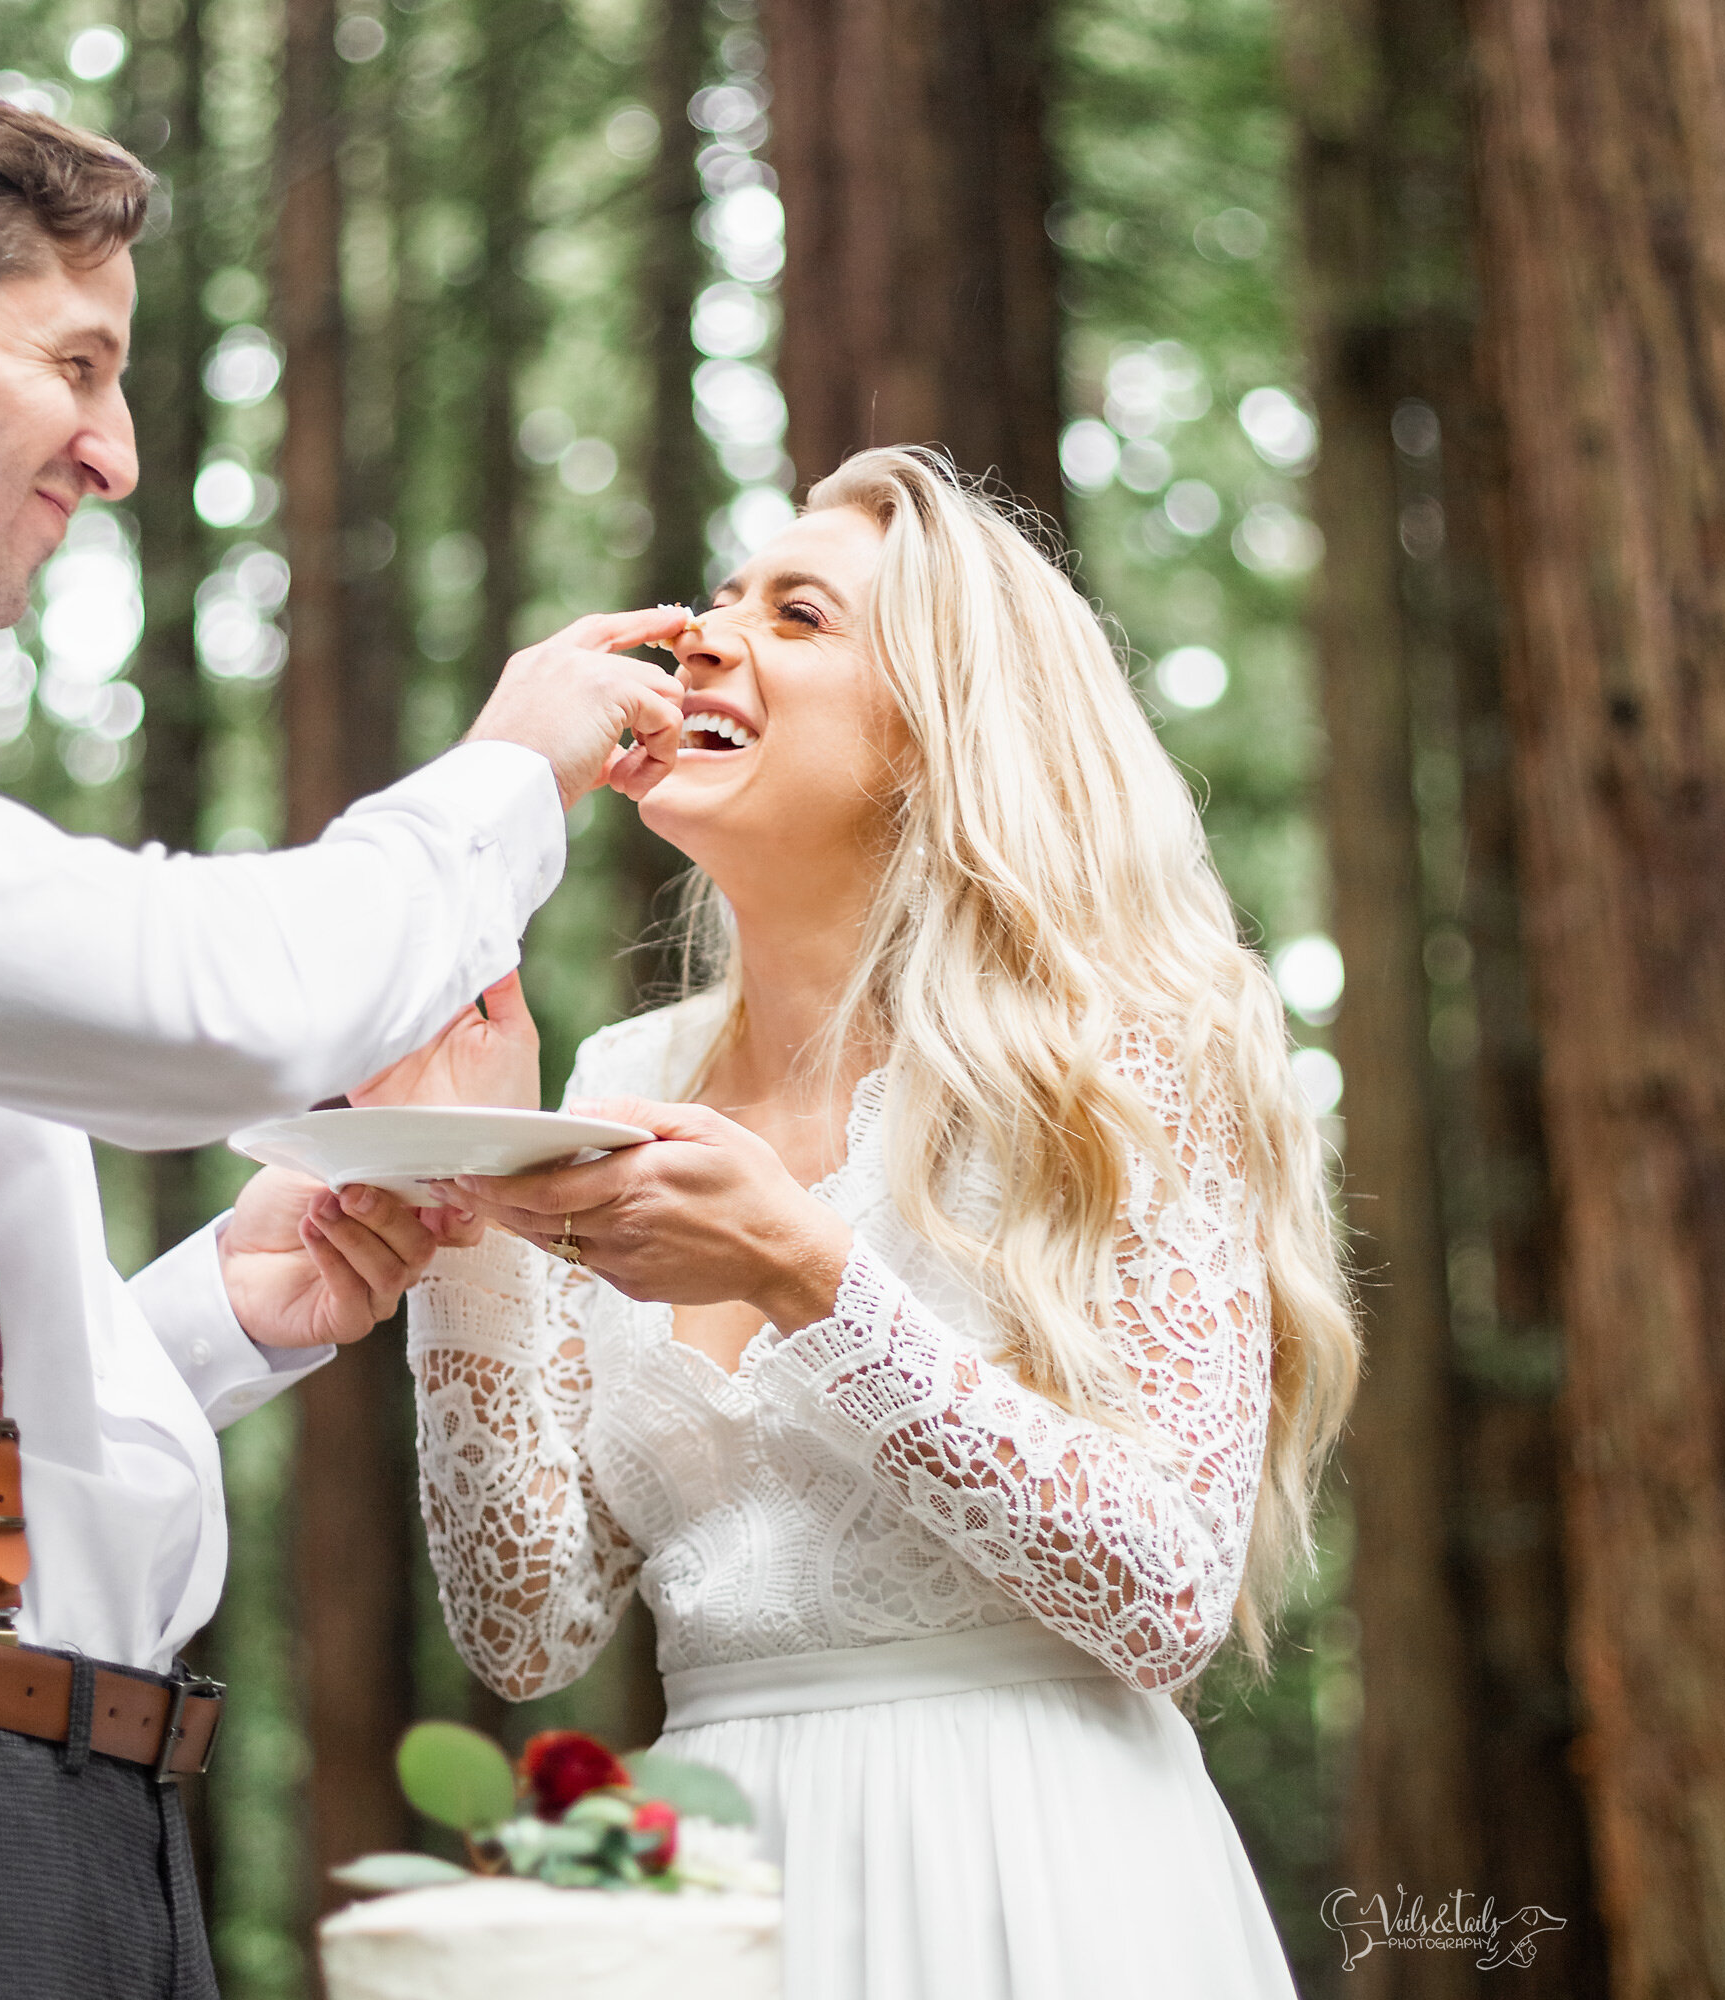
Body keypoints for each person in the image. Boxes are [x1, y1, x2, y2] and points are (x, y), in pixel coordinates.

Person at [0, 62, 686, 2000]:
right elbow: (211, 1006)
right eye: (78, 363)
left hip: (20, 1803)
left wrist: (215, 1315)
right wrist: (510, 772)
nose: (118, 452)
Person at [384, 448, 1361, 1999]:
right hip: (711, 1885)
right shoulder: (623, 1079)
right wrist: (468, 1199)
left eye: (799, 615)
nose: (706, 633)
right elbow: (530, 1625)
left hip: (1029, 1870)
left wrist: (808, 1275)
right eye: (716, 601)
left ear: (931, 735)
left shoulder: (1126, 1054)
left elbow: (1170, 1591)